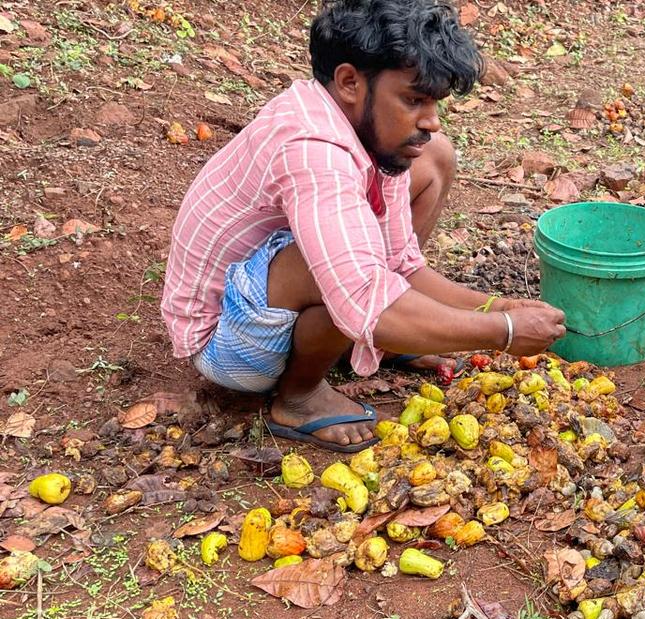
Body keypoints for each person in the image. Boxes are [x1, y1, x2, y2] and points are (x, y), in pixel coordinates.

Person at [161, 0, 565, 453]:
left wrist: (495, 306)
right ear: (350, 82)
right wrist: (504, 332)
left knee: (434, 156)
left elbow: (400, 265)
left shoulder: (371, 136)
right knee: (338, 267)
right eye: (414, 100)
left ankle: (387, 337)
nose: (430, 119)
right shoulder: (314, 151)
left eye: (433, 102)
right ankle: (299, 397)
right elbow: (364, 291)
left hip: (283, 296)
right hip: (227, 344)